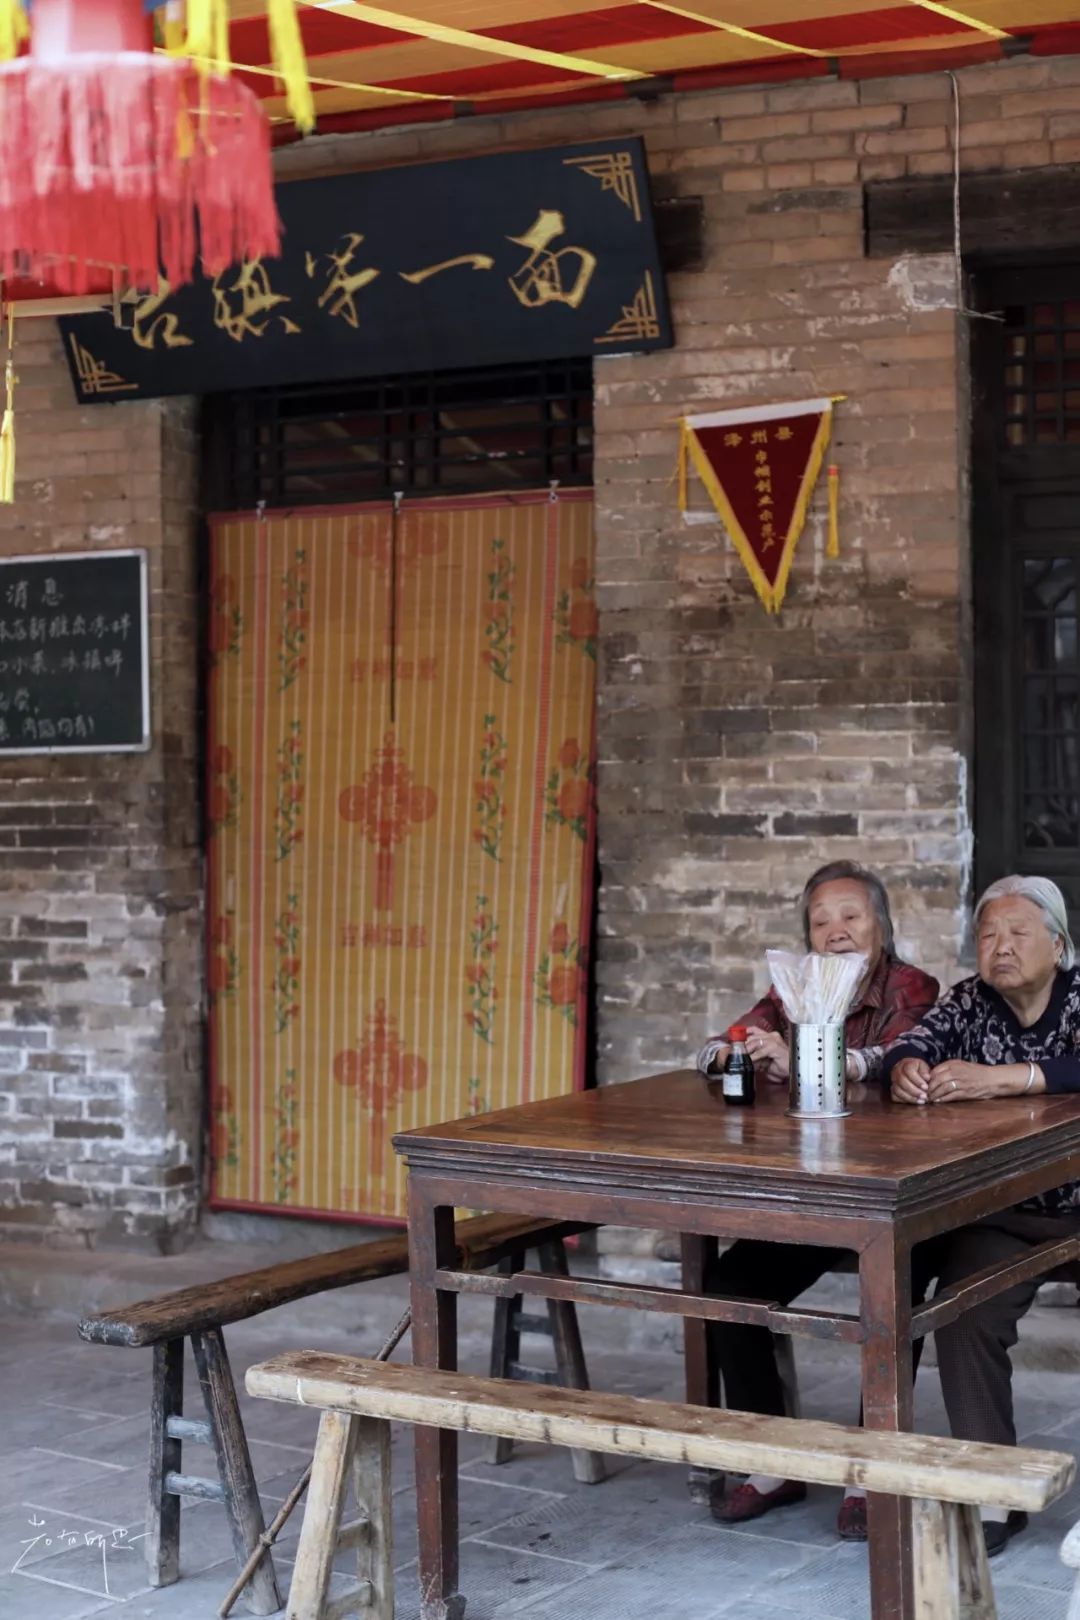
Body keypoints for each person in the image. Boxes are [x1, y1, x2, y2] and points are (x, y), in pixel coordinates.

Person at [699, 861, 940, 1541]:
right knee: (729, 1281)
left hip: (891, 1196)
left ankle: (870, 1464)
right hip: (815, 1192)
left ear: (880, 927)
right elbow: (725, 1044)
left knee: (899, 1284)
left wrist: (804, 1051)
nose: (836, 933)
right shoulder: (793, 990)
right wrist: (737, 1053)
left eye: (851, 917)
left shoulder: (912, 986)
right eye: (821, 921)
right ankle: (774, 1457)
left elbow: (898, 1056)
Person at [886, 873, 1080, 1557]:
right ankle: (995, 1492)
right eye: (988, 934)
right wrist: (908, 1067)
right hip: (1007, 1210)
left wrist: (1010, 1078)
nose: (1000, 947)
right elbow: (912, 1043)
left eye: (1017, 932)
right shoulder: (970, 1001)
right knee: (962, 1313)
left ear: (1057, 945)